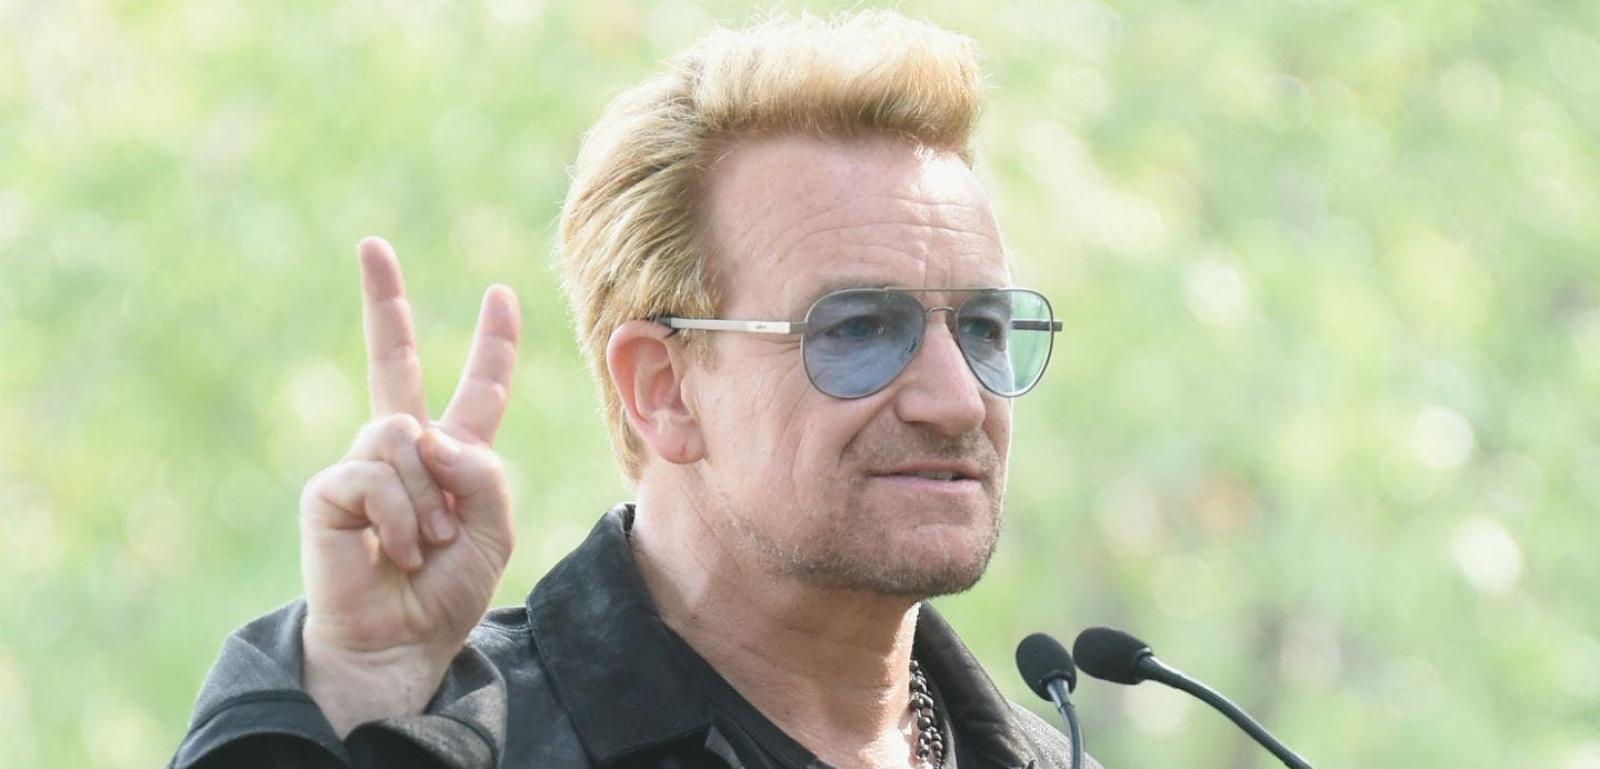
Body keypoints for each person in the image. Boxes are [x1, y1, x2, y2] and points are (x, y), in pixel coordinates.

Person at [171, 11, 1094, 769]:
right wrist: (350, 700)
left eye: (983, 328)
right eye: (858, 329)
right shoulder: (466, 741)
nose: (957, 400)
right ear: (664, 389)